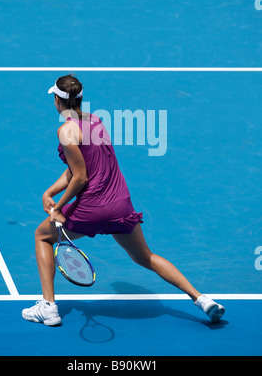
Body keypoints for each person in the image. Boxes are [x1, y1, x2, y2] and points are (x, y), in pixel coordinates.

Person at [22, 75, 225, 326]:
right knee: (145, 257)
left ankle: (49, 308)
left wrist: (59, 208)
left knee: (42, 236)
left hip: (92, 208)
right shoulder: (96, 122)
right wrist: (49, 193)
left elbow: (81, 177)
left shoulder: (65, 131)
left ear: (57, 101)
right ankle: (202, 299)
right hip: (120, 204)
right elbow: (79, 168)